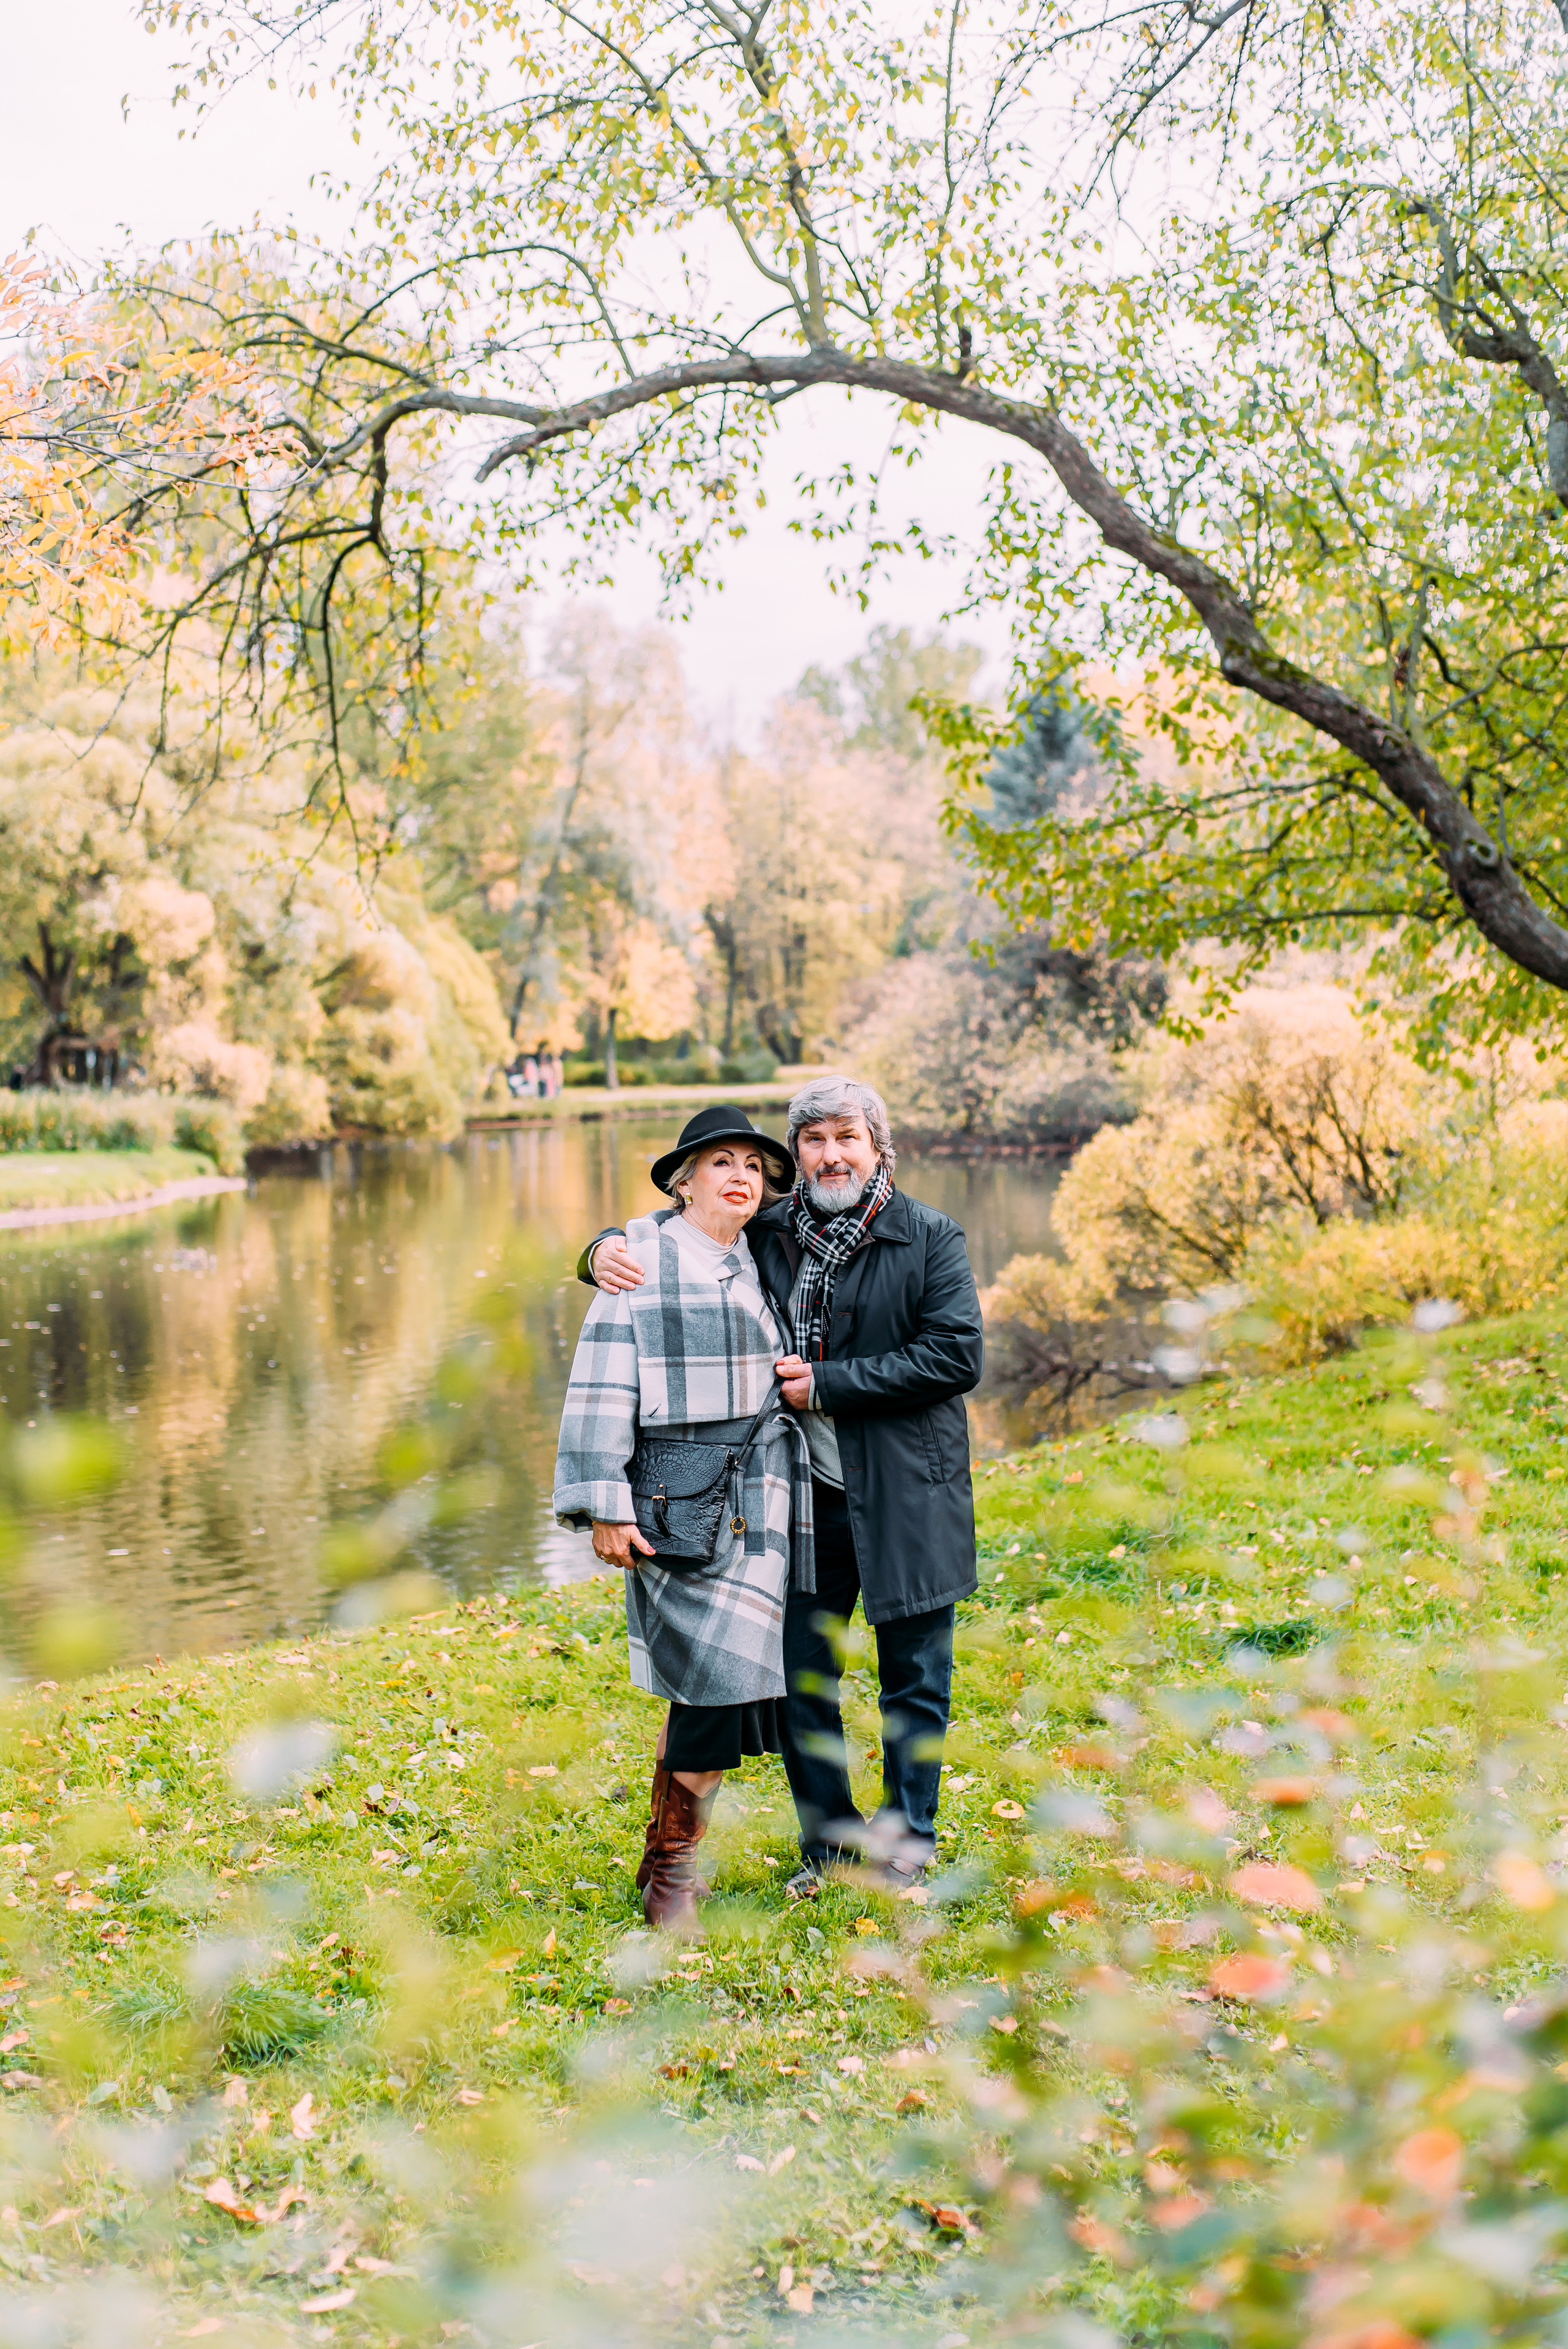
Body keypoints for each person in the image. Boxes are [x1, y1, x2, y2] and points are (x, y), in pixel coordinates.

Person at [581, 1074, 984, 1895]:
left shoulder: (930, 1237)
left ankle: (907, 1842)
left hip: (910, 1493)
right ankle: (829, 1847)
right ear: (796, 1155)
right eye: (814, 1140)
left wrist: (829, 1385)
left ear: (878, 1148)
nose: (831, 1155)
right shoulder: (773, 1228)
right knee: (803, 1679)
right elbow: (681, 1228)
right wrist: (600, 1250)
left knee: (914, 1680)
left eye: (847, 1137)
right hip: (803, 1502)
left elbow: (956, 1355)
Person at [554, 1103, 810, 1929]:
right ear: (683, 1182)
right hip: (680, 1498)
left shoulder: (759, 1256)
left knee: (726, 1684)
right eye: (721, 1162)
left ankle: (664, 1855)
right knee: (712, 1685)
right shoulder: (642, 1262)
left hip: (762, 1502)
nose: (742, 1176)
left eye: (754, 1166)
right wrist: (604, 1503)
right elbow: (601, 1383)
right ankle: (673, 1870)